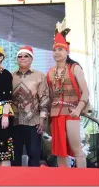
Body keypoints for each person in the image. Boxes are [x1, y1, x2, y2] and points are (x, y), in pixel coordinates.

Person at [47, 24, 90, 168]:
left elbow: (86, 92)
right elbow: (49, 95)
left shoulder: (75, 68)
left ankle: (82, 180)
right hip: (55, 113)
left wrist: (78, 109)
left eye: (60, 49)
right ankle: (64, 181)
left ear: (67, 51)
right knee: (60, 151)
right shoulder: (51, 72)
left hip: (71, 111)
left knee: (76, 148)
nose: (56, 53)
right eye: (54, 50)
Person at [11, 46, 50, 167]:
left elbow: (44, 97)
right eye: (20, 56)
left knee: (34, 156)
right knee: (14, 157)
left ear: (32, 59)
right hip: (14, 122)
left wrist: (42, 119)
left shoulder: (40, 76)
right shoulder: (10, 76)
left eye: (26, 56)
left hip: (33, 122)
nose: (22, 58)